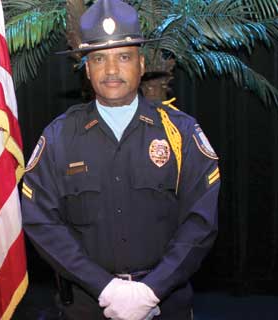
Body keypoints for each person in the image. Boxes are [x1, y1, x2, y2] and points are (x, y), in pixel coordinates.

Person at [20, 0, 220, 319]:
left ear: (141, 64)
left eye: (124, 57)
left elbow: (200, 222)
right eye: (99, 58)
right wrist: (106, 288)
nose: (111, 70)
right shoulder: (59, 137)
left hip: (165, 304)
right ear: (87, 69)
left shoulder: (181, 133)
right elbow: (41, 221)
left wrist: (151, 290)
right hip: (88, 305)